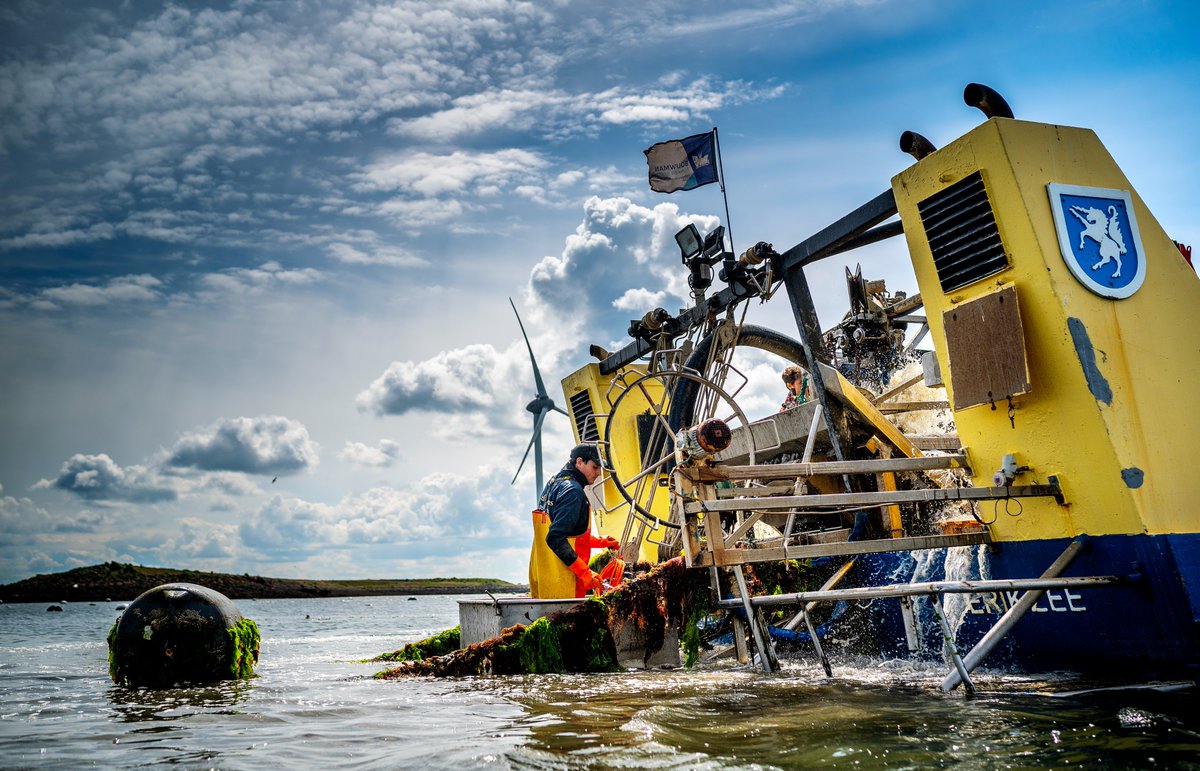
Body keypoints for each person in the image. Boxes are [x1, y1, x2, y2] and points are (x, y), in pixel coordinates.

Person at [528, 443, 620, 599]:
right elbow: (555, 538)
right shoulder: (573, 492)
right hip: (564, 584)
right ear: (579, 462)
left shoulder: (554, 483)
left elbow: (566, 532)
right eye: (595, 467)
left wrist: (600, 542)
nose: (598, 473)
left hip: (544, 577)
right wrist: (585, 573)